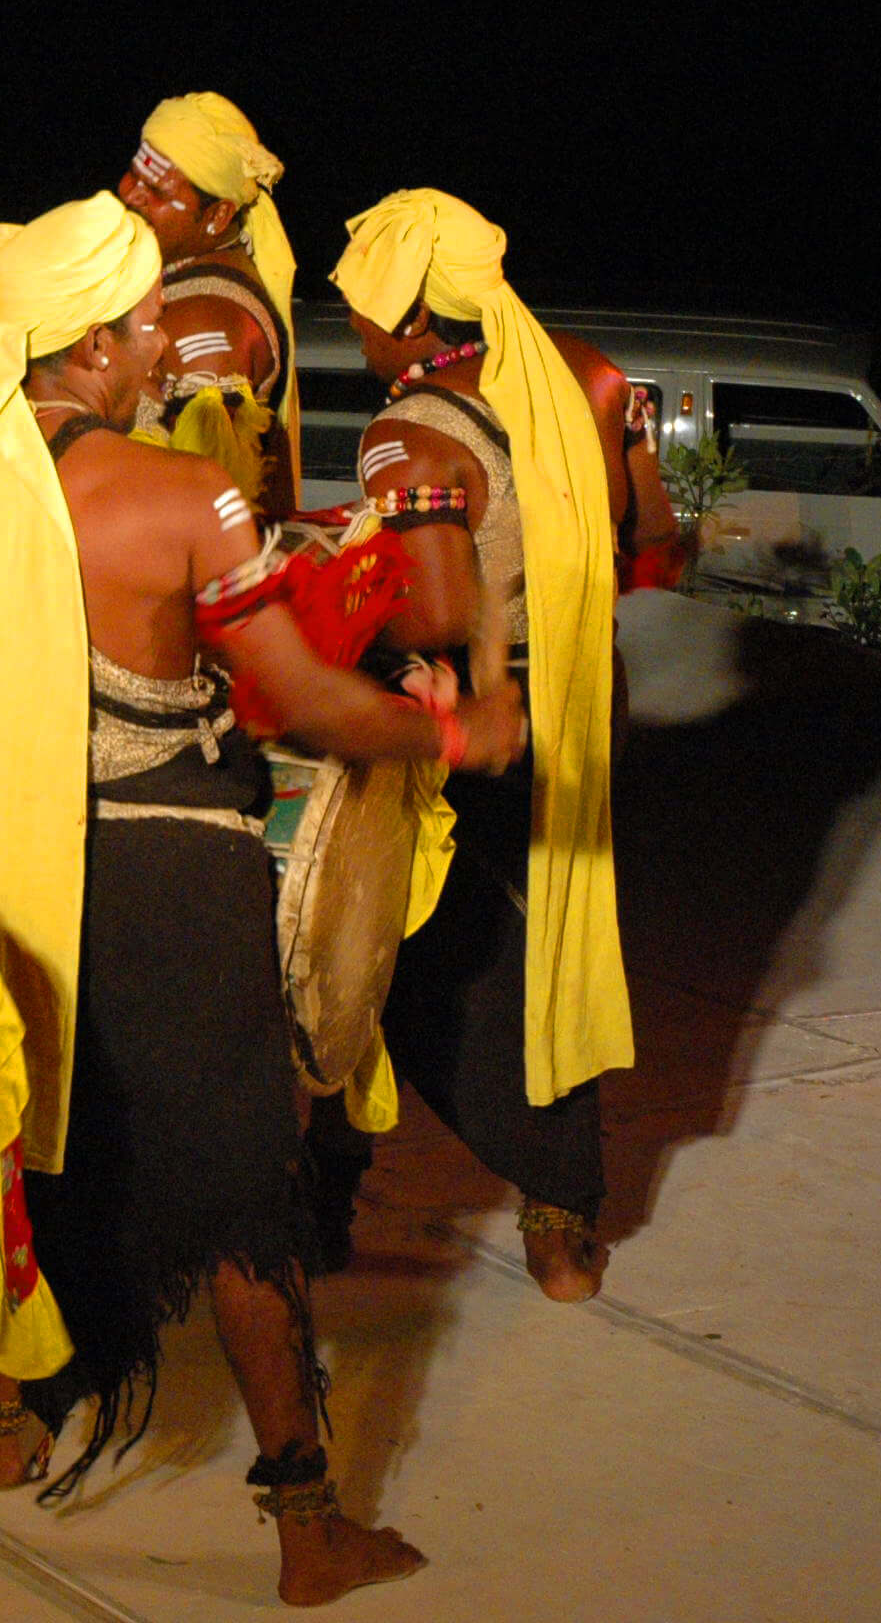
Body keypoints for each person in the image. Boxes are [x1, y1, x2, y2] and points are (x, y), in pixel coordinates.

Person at [0, 194, 524, 1601]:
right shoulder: (178, 496)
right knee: (247, 1194)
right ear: (79, 350)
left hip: (7, 876)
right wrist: (448, 731)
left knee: (14, 1135)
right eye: (139, 326)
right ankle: (308, 1525)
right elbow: (302, 693)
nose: (162, 347)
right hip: (175, 885)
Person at [326, 189, 631, 1302]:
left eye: (358, 302)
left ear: (408, 318)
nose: (347, 320)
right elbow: (638, 531)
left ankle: (332, 1197)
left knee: (406, 954)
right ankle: (564, 1220)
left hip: (485, 707)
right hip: (583, 687)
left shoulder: (408, 432)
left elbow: (435, 609)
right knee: (547, 938)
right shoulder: (578, 376)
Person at [113, 93, 301, 519]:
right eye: (132, 174)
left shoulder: (204, 319)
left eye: (156, 190)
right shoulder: (179, 277)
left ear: (217, 216)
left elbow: (209, 518)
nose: (131, 196)